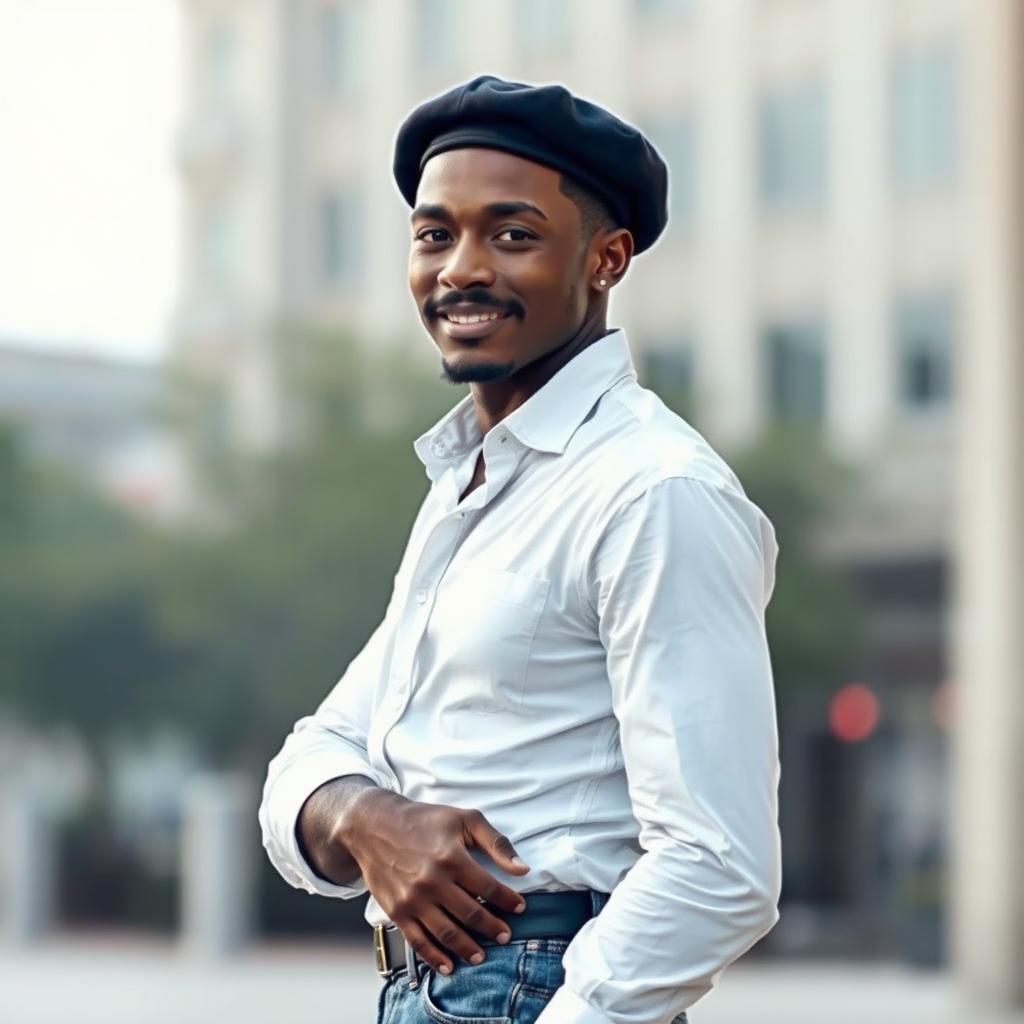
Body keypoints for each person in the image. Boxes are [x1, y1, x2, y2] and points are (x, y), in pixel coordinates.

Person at [258, 74, 782, 1024]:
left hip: (535, 987)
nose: (459, 268)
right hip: (421, 989)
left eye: (512, 234)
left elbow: (721, 863)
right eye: (433, 234)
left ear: (606, 259)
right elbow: (317, 754)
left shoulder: (652, 490)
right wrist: (366, 816)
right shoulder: (476, 487)